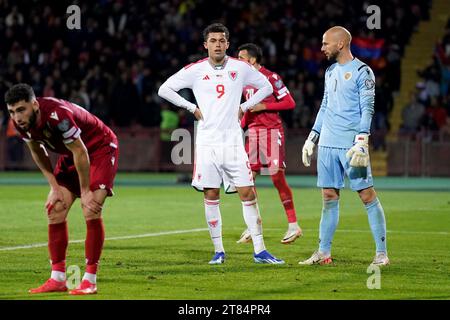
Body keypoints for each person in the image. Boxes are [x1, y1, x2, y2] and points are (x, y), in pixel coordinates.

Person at [158, 23, 284, 264]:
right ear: (205, 44)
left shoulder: (240, 67)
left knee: (248, 192)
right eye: (213, 40)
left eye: (222, 40)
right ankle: (218, 251)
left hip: (234, 142)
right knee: (211, 194)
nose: (218, 44)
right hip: (207, 143)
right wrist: (191, 107)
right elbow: (165, 89)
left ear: (228, 44)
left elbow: (266, 86)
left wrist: (245, 107)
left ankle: (260, 250)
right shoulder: (195, 70)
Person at [5, 83, 119, 294]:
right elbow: (37, 151)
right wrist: (54, 186)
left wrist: (85, 191)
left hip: (99, 148)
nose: (17, 117)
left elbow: (82, 151)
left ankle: (90, 280)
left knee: (91, 207)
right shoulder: (21, 124)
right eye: (12, 112)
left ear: (35, 104)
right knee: (55, 208)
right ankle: (58, 278)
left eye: (21, 110)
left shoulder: (59, 116)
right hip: (72, 154)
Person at [299, 26, 389, 266]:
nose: (322, 48)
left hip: (351, 145)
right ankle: (323, 252)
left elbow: (367, 108)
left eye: (325, 43)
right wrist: (312, 136)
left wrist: (362, 138)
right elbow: (325, 105)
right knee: (328, 196)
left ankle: (381, 253)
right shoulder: (329, 71)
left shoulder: (363, 71)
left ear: (340, 44)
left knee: (367, 195)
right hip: (327, 144)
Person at [235, 43, 302, 245]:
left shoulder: (271, 78)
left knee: (276, 177)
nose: (237, 61)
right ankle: (253, 224)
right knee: (246, 179)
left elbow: (290, 102)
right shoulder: (243, 82)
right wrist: (240, 126)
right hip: (253, 134)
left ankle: (293, 225)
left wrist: (265, 105)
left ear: (252, 60)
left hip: (271, 132)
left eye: (241, 57)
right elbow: (248, 111)